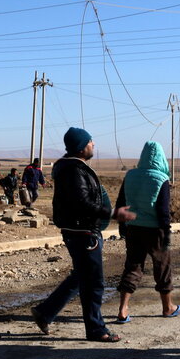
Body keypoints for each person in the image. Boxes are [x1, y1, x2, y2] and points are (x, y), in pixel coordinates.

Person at [30, 127, 136, 343]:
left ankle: (45, 312)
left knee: (81, 276)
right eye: (90, 141)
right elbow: (83, 203)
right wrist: (114, 213)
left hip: (80, 230)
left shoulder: (73, 168)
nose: (93, 144)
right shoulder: (74, 170)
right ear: (81, 147)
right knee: (94, 283)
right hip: (83, 232)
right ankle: (96, 329)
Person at [114, 141, 180, 324]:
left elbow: (121, 202)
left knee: (133, 266)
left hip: (133, 227)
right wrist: (166, 232)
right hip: (155, 230)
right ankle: (168, 307)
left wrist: (122, 226)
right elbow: (163, 210)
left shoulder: (130, 175)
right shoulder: (161, 178)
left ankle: (123, 309)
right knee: (162, 267)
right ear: (161, 158)